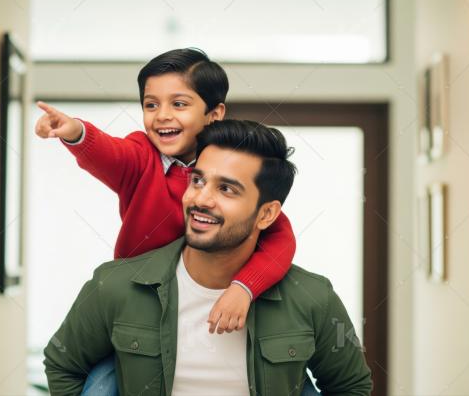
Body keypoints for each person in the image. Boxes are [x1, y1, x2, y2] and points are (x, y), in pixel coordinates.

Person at [44, 120, 372, 396]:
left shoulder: (312, 298)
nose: (201, 199)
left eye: (227, 190)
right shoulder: (113, 286)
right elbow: (63, 365)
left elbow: (351, 386)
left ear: (267, 214)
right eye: (198, 180)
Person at [34, 49, 296, 337]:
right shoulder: (140, 157)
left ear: (214, 114)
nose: (162, 116)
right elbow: (109, 152)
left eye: (179, 104)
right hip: (139, 307)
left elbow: (280, 242)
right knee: (104, 381)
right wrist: (75, 131)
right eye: (151, 105)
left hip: (205, 305)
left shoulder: (231, 171)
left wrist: (243, 288)